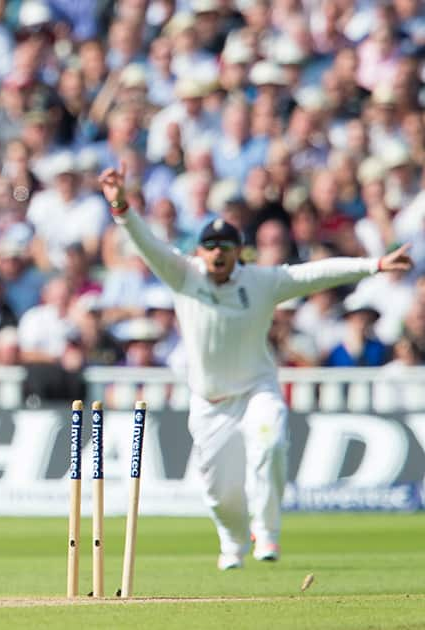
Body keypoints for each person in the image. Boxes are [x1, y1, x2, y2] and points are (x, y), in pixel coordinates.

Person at [98, 164, 413, 571]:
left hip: (257, 390)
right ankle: (231, 543)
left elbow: (312, 275)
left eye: (224, 247)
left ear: (238, 252)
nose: (216, 253)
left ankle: (266, 533)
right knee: (218, 492)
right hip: (209, 402)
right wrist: (121, 206)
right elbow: (146, 243)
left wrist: (372, 266)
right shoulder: (182, 275)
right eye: (209, 246)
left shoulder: (260, 282)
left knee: (268, 443)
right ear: (199, 251)